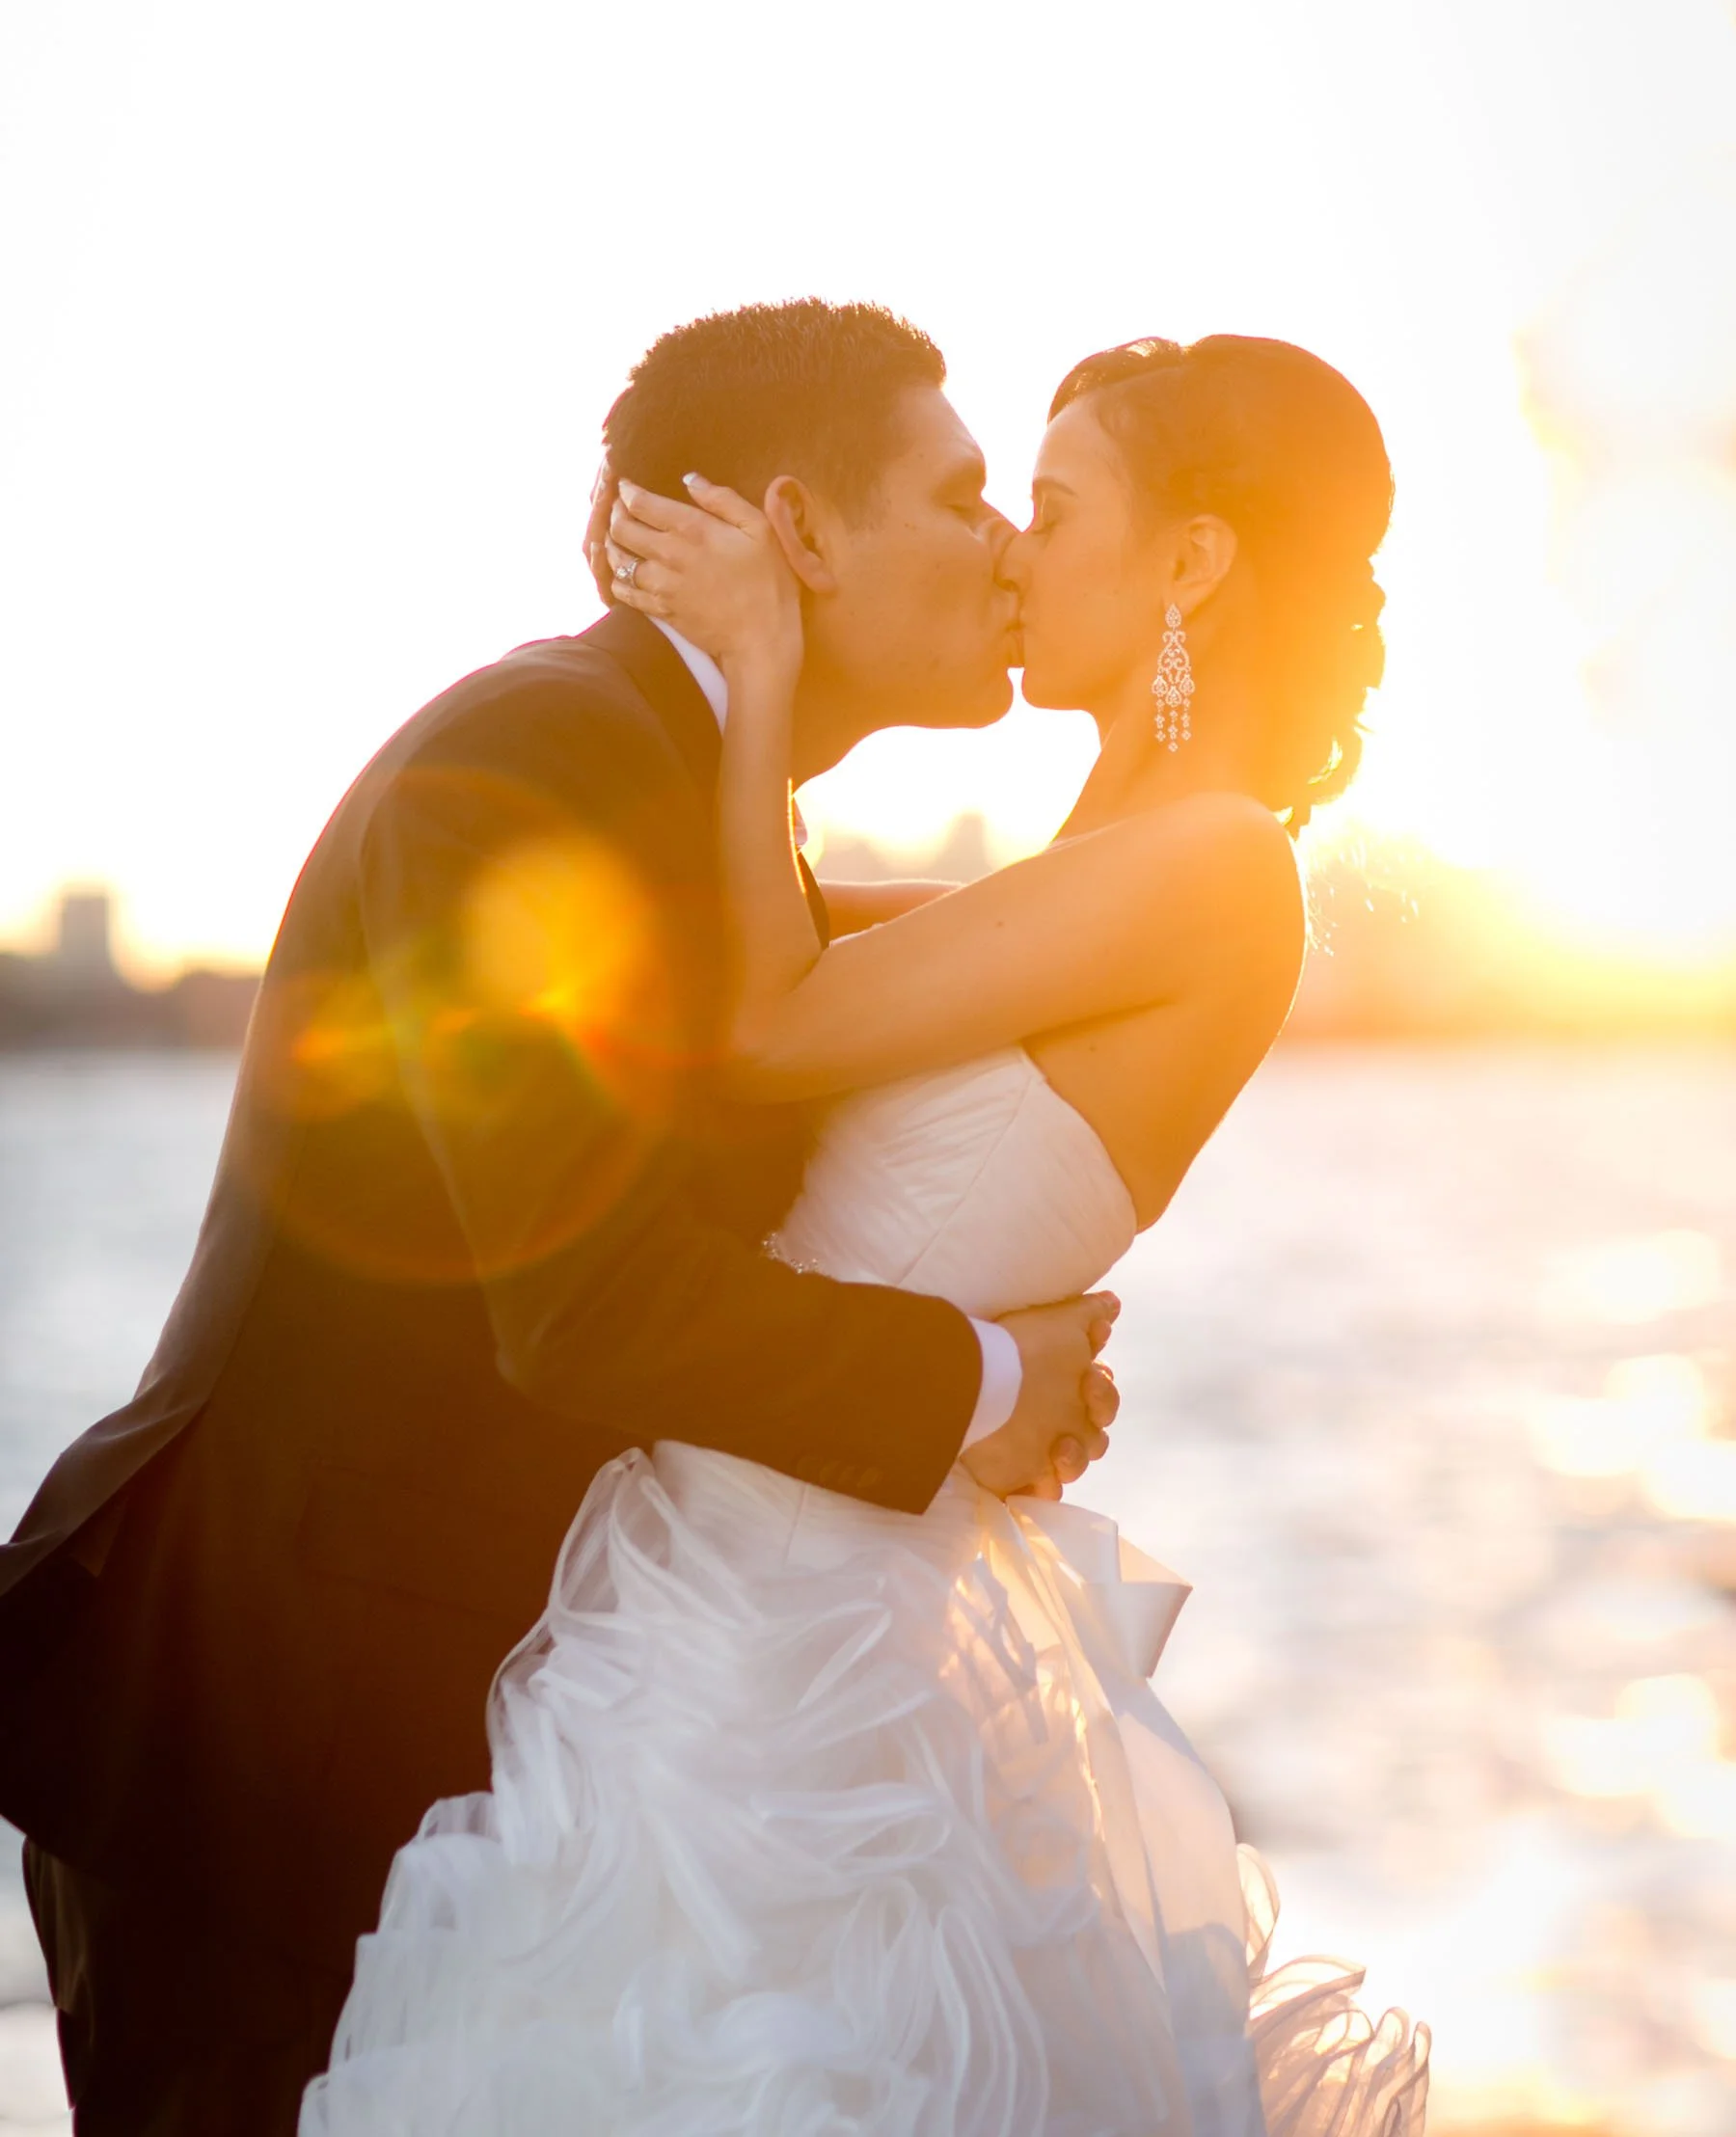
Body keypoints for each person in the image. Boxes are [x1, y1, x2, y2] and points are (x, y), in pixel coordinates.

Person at [0, 299, 1121, 2135]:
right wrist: (995, 1378)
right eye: (962, 491)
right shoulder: (538, 761)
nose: (1002, 545)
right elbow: (586, 1305)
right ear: (799, 530)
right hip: (259, 1740)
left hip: (455, 1721)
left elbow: (804, 987)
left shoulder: (671, 788)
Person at [303, 333, 1430, 2132]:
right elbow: (770, 962)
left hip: (809, 1646)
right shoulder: (1097, 876)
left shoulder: (1215, 866)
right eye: (991, 505)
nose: (1008, 551)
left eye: (1047, 509)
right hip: (739, 1587)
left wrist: (758, 664)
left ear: (1193, 564)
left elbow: (769, 1022)